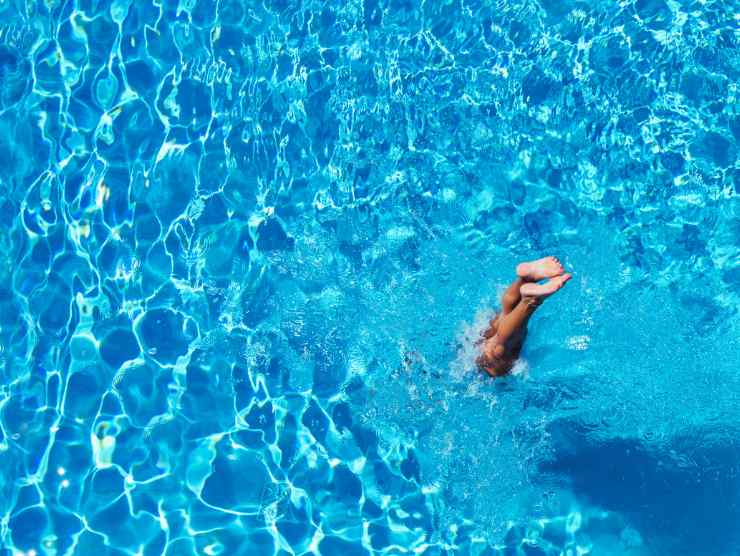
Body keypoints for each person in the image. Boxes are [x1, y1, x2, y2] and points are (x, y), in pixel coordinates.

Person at [477, 256, 571, 377]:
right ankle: (526, 278)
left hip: (476, 363)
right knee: (502, 316)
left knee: (497, 356)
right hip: (472, 340)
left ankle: (530, 301)